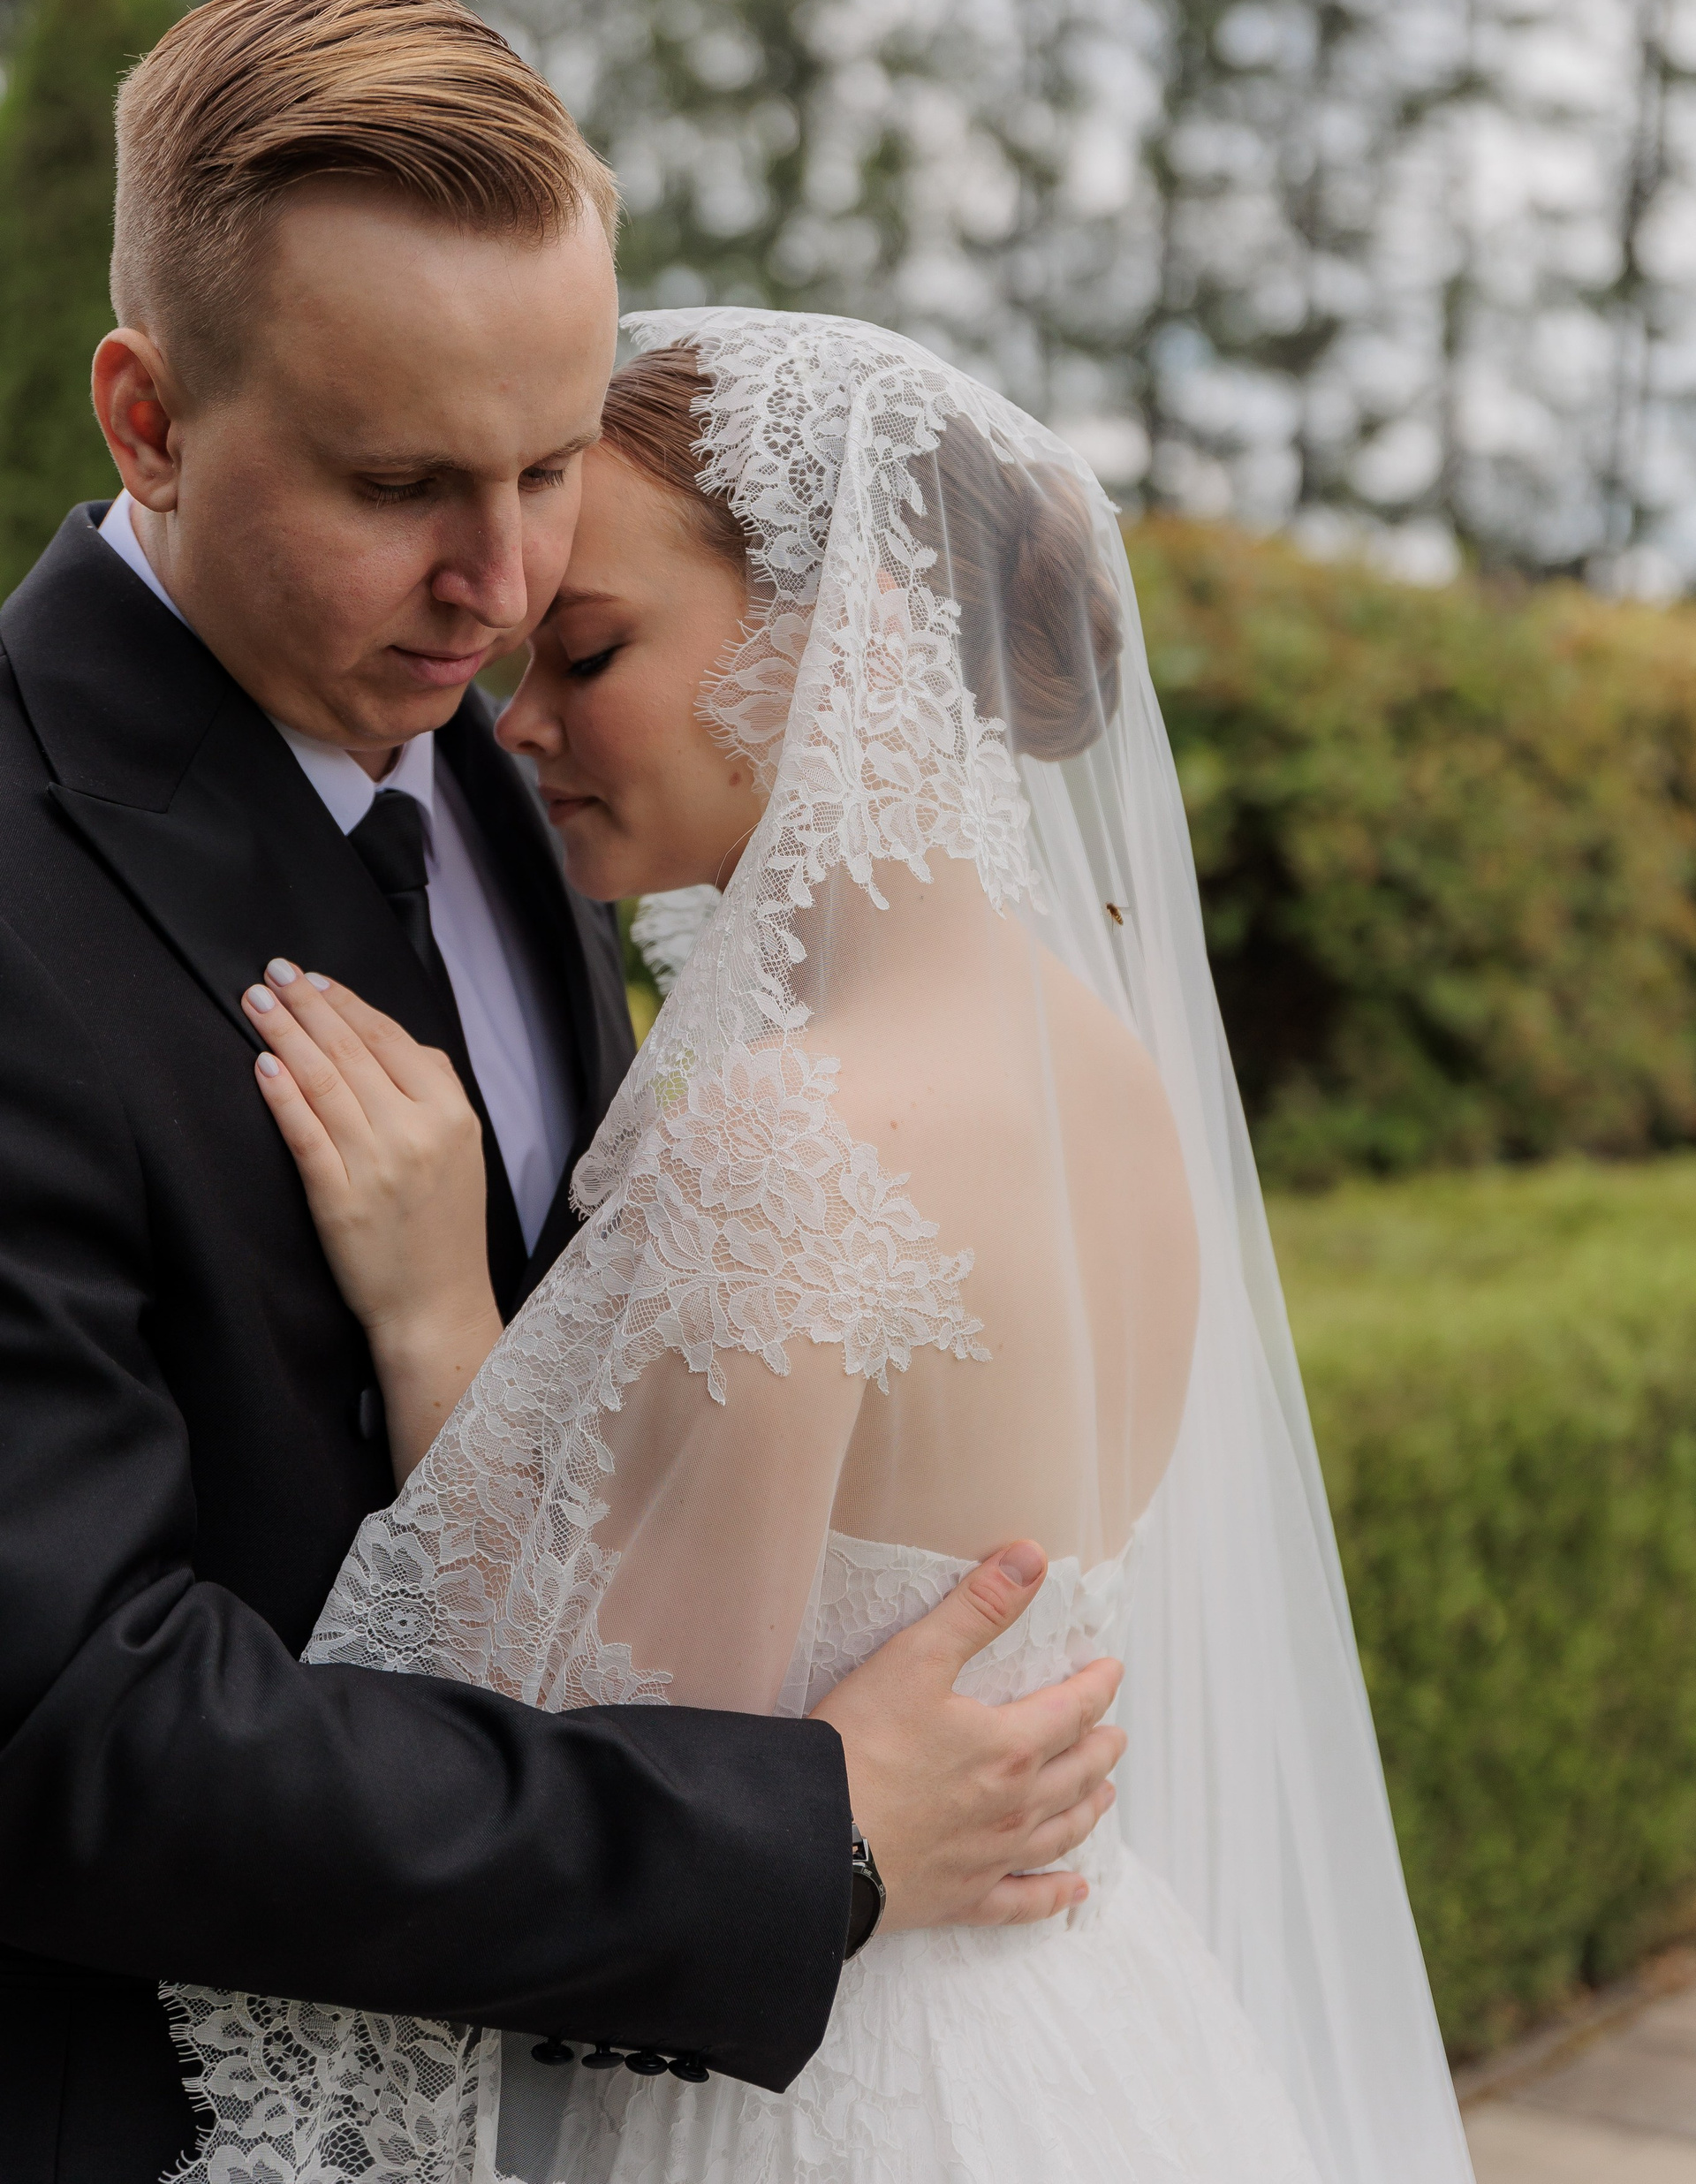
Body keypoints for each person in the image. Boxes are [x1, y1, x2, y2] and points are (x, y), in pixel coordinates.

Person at [0, 0, 1125, 2184]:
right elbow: (71, 1731)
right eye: (399, 484)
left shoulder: (521, 790)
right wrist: (806, 1840)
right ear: (148, 417)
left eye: (543, 467)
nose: (503, 588)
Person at [178, 310, 1478, 2182]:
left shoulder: (791, 1131)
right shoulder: (1103, 1068)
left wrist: (435, 1309)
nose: (515, 722)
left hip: (802, 2083)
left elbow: (620, 1762)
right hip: (1081, 2033)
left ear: (850, 636)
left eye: (588, 650)